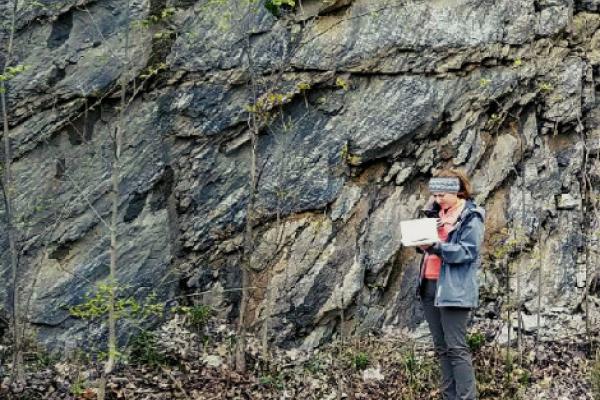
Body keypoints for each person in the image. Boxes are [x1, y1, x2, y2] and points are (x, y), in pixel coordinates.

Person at [417, 169, 485, 400]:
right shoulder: (436, 213)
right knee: (442, 349)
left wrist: (435, 246)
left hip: (454, 290)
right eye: (434, 195)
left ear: (457, 190)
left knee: (456, 349)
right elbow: (427, 247)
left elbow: (468, 251)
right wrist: (421, 241)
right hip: (429, 285)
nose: (437, 200)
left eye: (441, 195)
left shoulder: (471, 216)